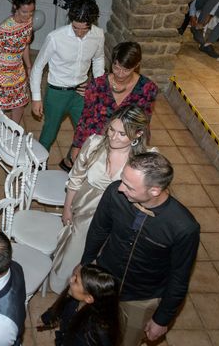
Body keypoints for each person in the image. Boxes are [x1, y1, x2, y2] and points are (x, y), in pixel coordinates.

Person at [80, 152, 200, 346]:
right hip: (105, 280)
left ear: (154, 190)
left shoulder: (184, 228)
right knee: (95, 325)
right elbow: (98, 230)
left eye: (129, 186)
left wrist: (162, 319)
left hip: (143, 295)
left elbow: (179, 277)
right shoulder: (114, 194)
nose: (120, 188)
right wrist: (86, 264)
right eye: (123, 179)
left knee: (128, 338)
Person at [49, 106, 149, 294]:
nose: (113, 137)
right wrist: (67, 207)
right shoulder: (95, 144)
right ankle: (63, 289)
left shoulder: (144, 160)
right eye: (111, 129)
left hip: (117, 218)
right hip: (85, 212)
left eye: (122, 134)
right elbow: (76, 178)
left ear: (138, 134)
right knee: (74, 251)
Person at [61, 41, 157, 171]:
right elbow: (86, 118)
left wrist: (139, 150)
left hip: (124, 145)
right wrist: (77, 145)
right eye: (116, 67)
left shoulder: (147, 89)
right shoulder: (98, 85)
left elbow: (143, 123)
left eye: (126, 69)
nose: (120, 73)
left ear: (137, 65)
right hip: (96, 142)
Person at [30, 0, 105, 152]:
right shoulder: (55, 37)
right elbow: (37, 68)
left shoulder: (98, 35)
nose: (79, 33)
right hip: (57, 92)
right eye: (75, 27)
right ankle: (37, 165)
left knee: (87, 132)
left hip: (81, 92)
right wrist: (36, 98)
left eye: (84, 29)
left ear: (92, 23)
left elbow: (98, 59)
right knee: (50, 132)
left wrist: (97, 86)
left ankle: (73, 161)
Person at [40, 264, 119, 346]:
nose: (71, 280)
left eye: (76, 280)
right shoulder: (75, 299)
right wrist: (46, 318)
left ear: (89, 298)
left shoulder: (99, 331)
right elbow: (60, 307)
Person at [0, 0, 35, 124]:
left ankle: (13, 131)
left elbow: (25, 45)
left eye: (31, 12)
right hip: (1, 71)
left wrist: (29, 66)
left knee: (19, 103)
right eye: (25, 12)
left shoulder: (29, 22)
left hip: (18, 70)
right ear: (15, 7)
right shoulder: (4, 28)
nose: (28, 15)